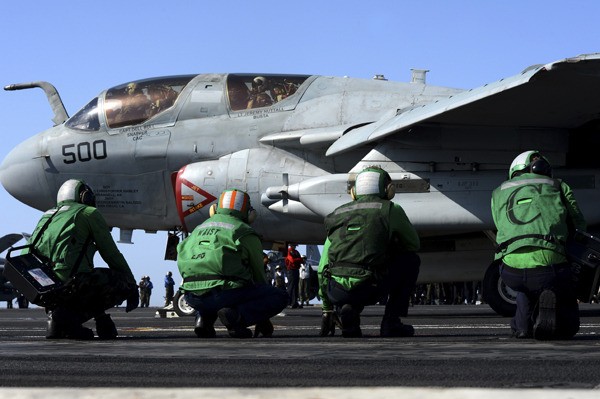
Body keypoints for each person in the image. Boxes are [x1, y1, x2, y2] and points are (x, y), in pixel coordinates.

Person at [491, 150, 586, 340]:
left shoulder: (498, 192)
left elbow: (498, 223)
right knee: (561, 284)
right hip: (549, 267)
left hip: (510, 271)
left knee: (524, 289)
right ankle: (560, 324)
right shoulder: (558, 185)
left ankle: (522, 327)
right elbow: (579, 224)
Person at [27, 179, 138, 340]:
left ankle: (56, 320)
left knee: (85, 282)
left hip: (41, 284)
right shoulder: (88, 213)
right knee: (118, 280)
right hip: (70, 284)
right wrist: (132, 286)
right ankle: (72, 320)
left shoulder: (48, 214)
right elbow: (111, 254)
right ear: (84, 196)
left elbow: (29, 249)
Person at [318, 166, 420, 338]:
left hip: (336, 291)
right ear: (389, 189)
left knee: (348, 274)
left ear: (354, 192)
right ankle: (391, 323)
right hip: (370, 286)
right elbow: (413, 244)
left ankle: (349, 310)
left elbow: (322, 267)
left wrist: (326, 308)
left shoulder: (337, 214)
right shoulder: (390, 209)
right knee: (411, 260)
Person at [177, 189, 288, 338]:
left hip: (191, 297)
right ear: (249, 214)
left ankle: (203, 320)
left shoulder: (197, 229)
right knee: (280, 296)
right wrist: (262, 317)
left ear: (214, 210)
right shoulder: (244, 232)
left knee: (207, 284)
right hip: (225, 294)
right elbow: (258, 275)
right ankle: (236, 318)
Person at [285, 243, 303, 308]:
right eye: (293, 245)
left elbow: (301, 260)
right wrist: (298, 259)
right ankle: (287, 302)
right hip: (291, 271)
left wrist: (297, 260)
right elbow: (291, 260)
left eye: (295, 245)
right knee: (290, 287)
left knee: (295, 287)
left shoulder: (296, 252)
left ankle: (294, 302)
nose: (294, 246)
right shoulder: (288, 251)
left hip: (295, 270)